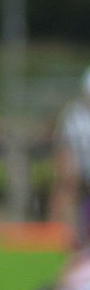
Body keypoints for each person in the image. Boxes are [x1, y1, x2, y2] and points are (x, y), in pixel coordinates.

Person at [52, 67, 90, 249]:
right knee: (67, 189)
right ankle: (72, 236)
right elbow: (65, 146)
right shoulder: (74, 115)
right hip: (79, 165)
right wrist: (68, 170)